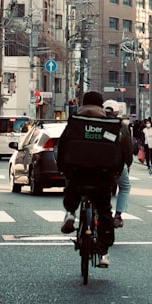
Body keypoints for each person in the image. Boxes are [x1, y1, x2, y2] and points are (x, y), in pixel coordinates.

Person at [58, 92, 127, 267]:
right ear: (101, 106)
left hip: (78, 172)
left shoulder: (75, 122)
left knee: (73, 190)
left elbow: (63, 147)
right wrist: (116, 172)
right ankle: (104, 253)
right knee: (104, 211)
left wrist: (63, 169)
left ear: (83, 104)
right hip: (102, 175)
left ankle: (71, 213)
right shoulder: (109, 125)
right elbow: (120, 151)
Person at [103, 100, 133, 228]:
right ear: (116, 112)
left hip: (92, 164)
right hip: (116, 165)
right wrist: (127, 163)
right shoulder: (122, 126)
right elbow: (127, 148)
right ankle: (118, 215)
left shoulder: (95, 122)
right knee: (125, 186)